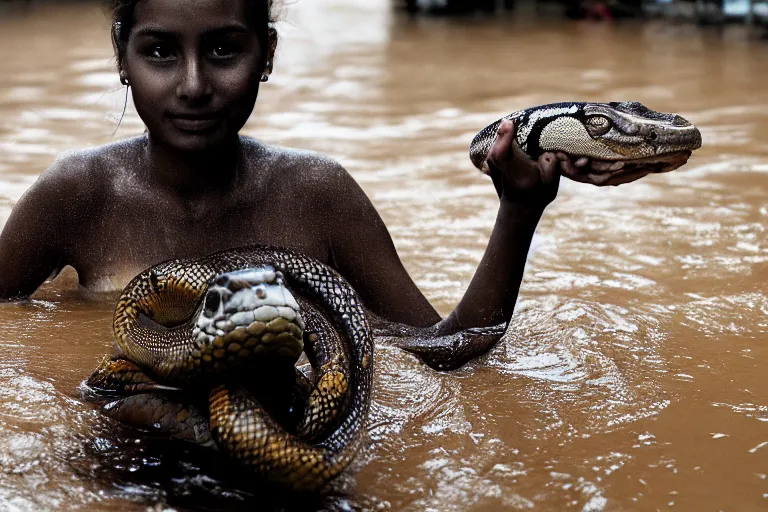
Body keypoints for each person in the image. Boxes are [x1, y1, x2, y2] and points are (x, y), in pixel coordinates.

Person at [0, 0, 610, 367]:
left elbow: (446, 352)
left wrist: (519, 211)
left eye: (222, 51)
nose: (192, 85)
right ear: (121, 60)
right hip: (126, 457)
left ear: (266, 54)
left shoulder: (319, 197)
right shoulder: (77, 195)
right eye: (160, 52)